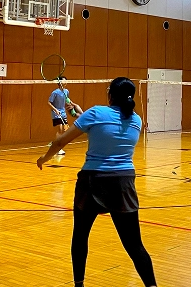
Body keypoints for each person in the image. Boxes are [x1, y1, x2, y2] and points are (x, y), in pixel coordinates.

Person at [37, 77, 156, 287]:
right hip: (123, 183)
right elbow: (108, 129)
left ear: (110, 94)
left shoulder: (95, 113)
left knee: (80, 237)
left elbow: (60, 141)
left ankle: (79, 285)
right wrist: (81, 114)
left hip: (92, 182)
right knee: (134, 245)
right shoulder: (136, 120)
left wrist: (44, 159)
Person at [48, 76, 82, 155]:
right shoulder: (55, 92)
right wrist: (55, 110)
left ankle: (54, 143)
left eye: (66, 81)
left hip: (63, 112)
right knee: (60, 129)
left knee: (65, 130)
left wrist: (73, 104)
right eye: (64, 81)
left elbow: (67, 100)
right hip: (56, 113)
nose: (66, 82)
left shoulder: (66, 91)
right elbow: (49, 103)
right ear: (59, 82)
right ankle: (57, 149)